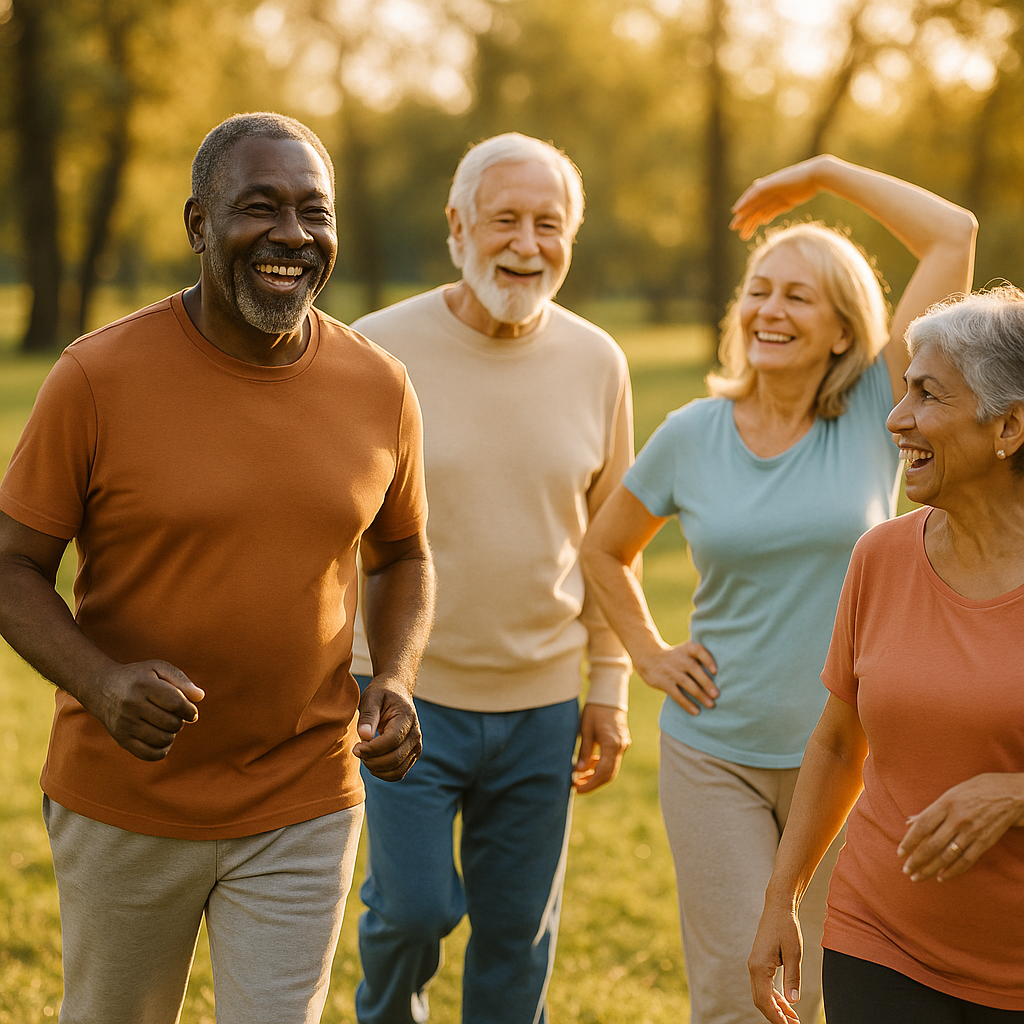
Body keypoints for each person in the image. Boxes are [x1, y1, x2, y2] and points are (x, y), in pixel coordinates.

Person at [0, 112, 435, 1024]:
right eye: (260, 208)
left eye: (314, 213)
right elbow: (11, 566)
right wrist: (101, 681)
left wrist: (393, 675)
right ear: (199, 224)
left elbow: (402, 556)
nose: (292, 235)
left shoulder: (380, 387)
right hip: (127, 800)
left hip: (304, 795)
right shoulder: (94, 377)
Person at [579, 155, 977, 1024]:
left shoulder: (883, 403)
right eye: (759, 289)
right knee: (735, 995)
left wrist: (828, 174)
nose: (769, 308)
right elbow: (605, 549)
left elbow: (954, 234)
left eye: (799, 295)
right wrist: (649, 654)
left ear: (845, 330)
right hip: (714, 747)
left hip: (851, 756)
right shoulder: (693, 432)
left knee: (839, 992)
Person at [348, 132, 634, 1024]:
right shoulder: (375, 350)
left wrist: (610, 685)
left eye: (549, 223)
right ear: (457, 224)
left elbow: (609, 544)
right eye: (505, 218)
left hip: (543, 704)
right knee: (414, 909)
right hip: (401, 694)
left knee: (519, 936)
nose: (526, 242)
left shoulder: (600, 363)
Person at [748, 285, 1024, 1023]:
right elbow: (839, 745)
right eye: (903, 391)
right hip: (879, 941)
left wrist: (1015, 793)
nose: (897, 418)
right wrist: (784, 898)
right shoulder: (881, 556)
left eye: (927, 396)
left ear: (1010, 427)